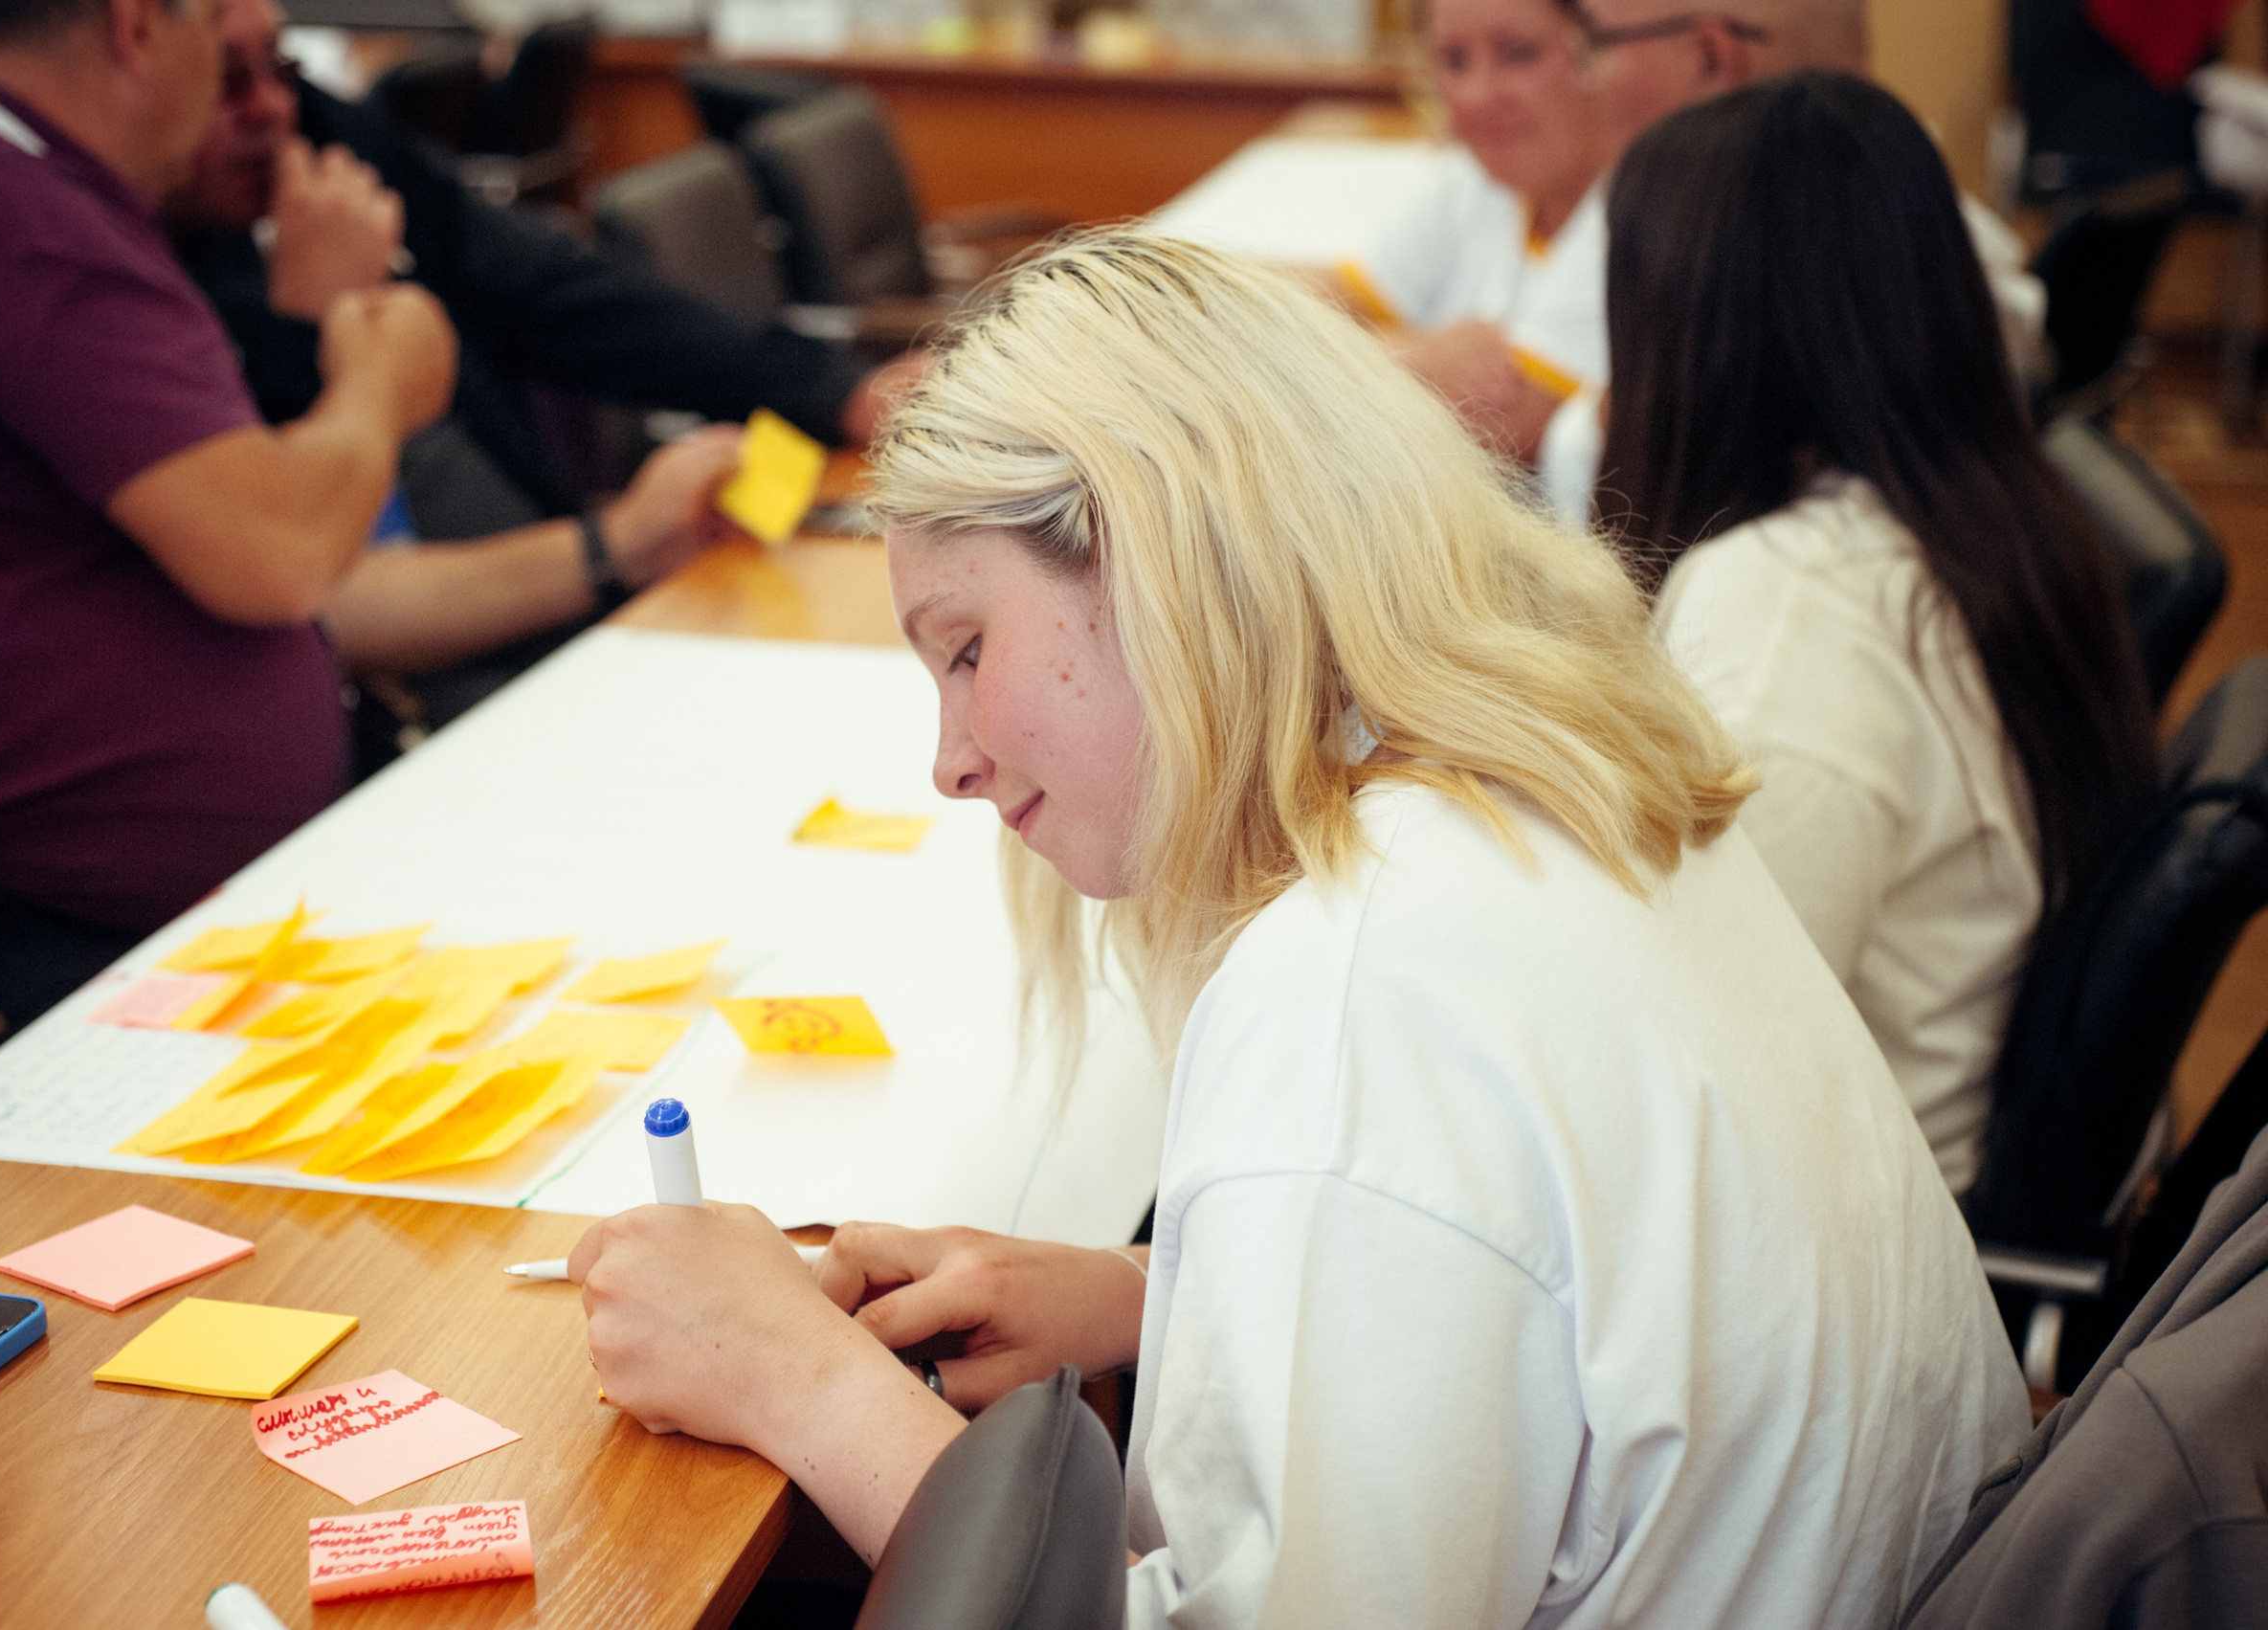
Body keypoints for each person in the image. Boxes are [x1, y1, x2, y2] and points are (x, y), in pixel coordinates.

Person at [568, 232, 2029, 1627]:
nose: (948, 759)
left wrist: (800, 1379)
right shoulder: (1552, 770)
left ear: (1158, 563)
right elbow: (1552, 1298)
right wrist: (1166, 1290)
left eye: (967, 646)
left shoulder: (1358, 981)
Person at [0, 0, 455, 1031]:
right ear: (136, 28)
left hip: (103, 911)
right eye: (210, 30)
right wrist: (377, 383)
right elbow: (279, 552)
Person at [1602, 73, 2158, 1194]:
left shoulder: (1785, 621)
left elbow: (1694, 1060)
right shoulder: (1983, 511)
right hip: (1909, 1149)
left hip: (1837, 1213)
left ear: (1690, 334)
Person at [165, 0, 909, 734]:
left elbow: (542, 285)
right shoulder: (149, 301)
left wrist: (833, 389)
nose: (270, 108)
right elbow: (315, 591)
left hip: (567, 621)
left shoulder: (318, 137)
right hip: (441, 700)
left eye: (279, 65)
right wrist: (312, 333)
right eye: (225, 77)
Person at [1570, 0, 2050, 381]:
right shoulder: (1929, 251)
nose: (1580, 84)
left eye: (1594, 43)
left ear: (1711, 59)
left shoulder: (1866, 297)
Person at [1348, 0, 1609, 495]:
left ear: (1600, 50)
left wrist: (1387, 355)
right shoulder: (1476, 176)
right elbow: (1322, 298)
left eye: (1520, 54)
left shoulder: (1635, 211)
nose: (1477, 95)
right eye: (1453, 60)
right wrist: (1421, 357)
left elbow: (1503, 428)